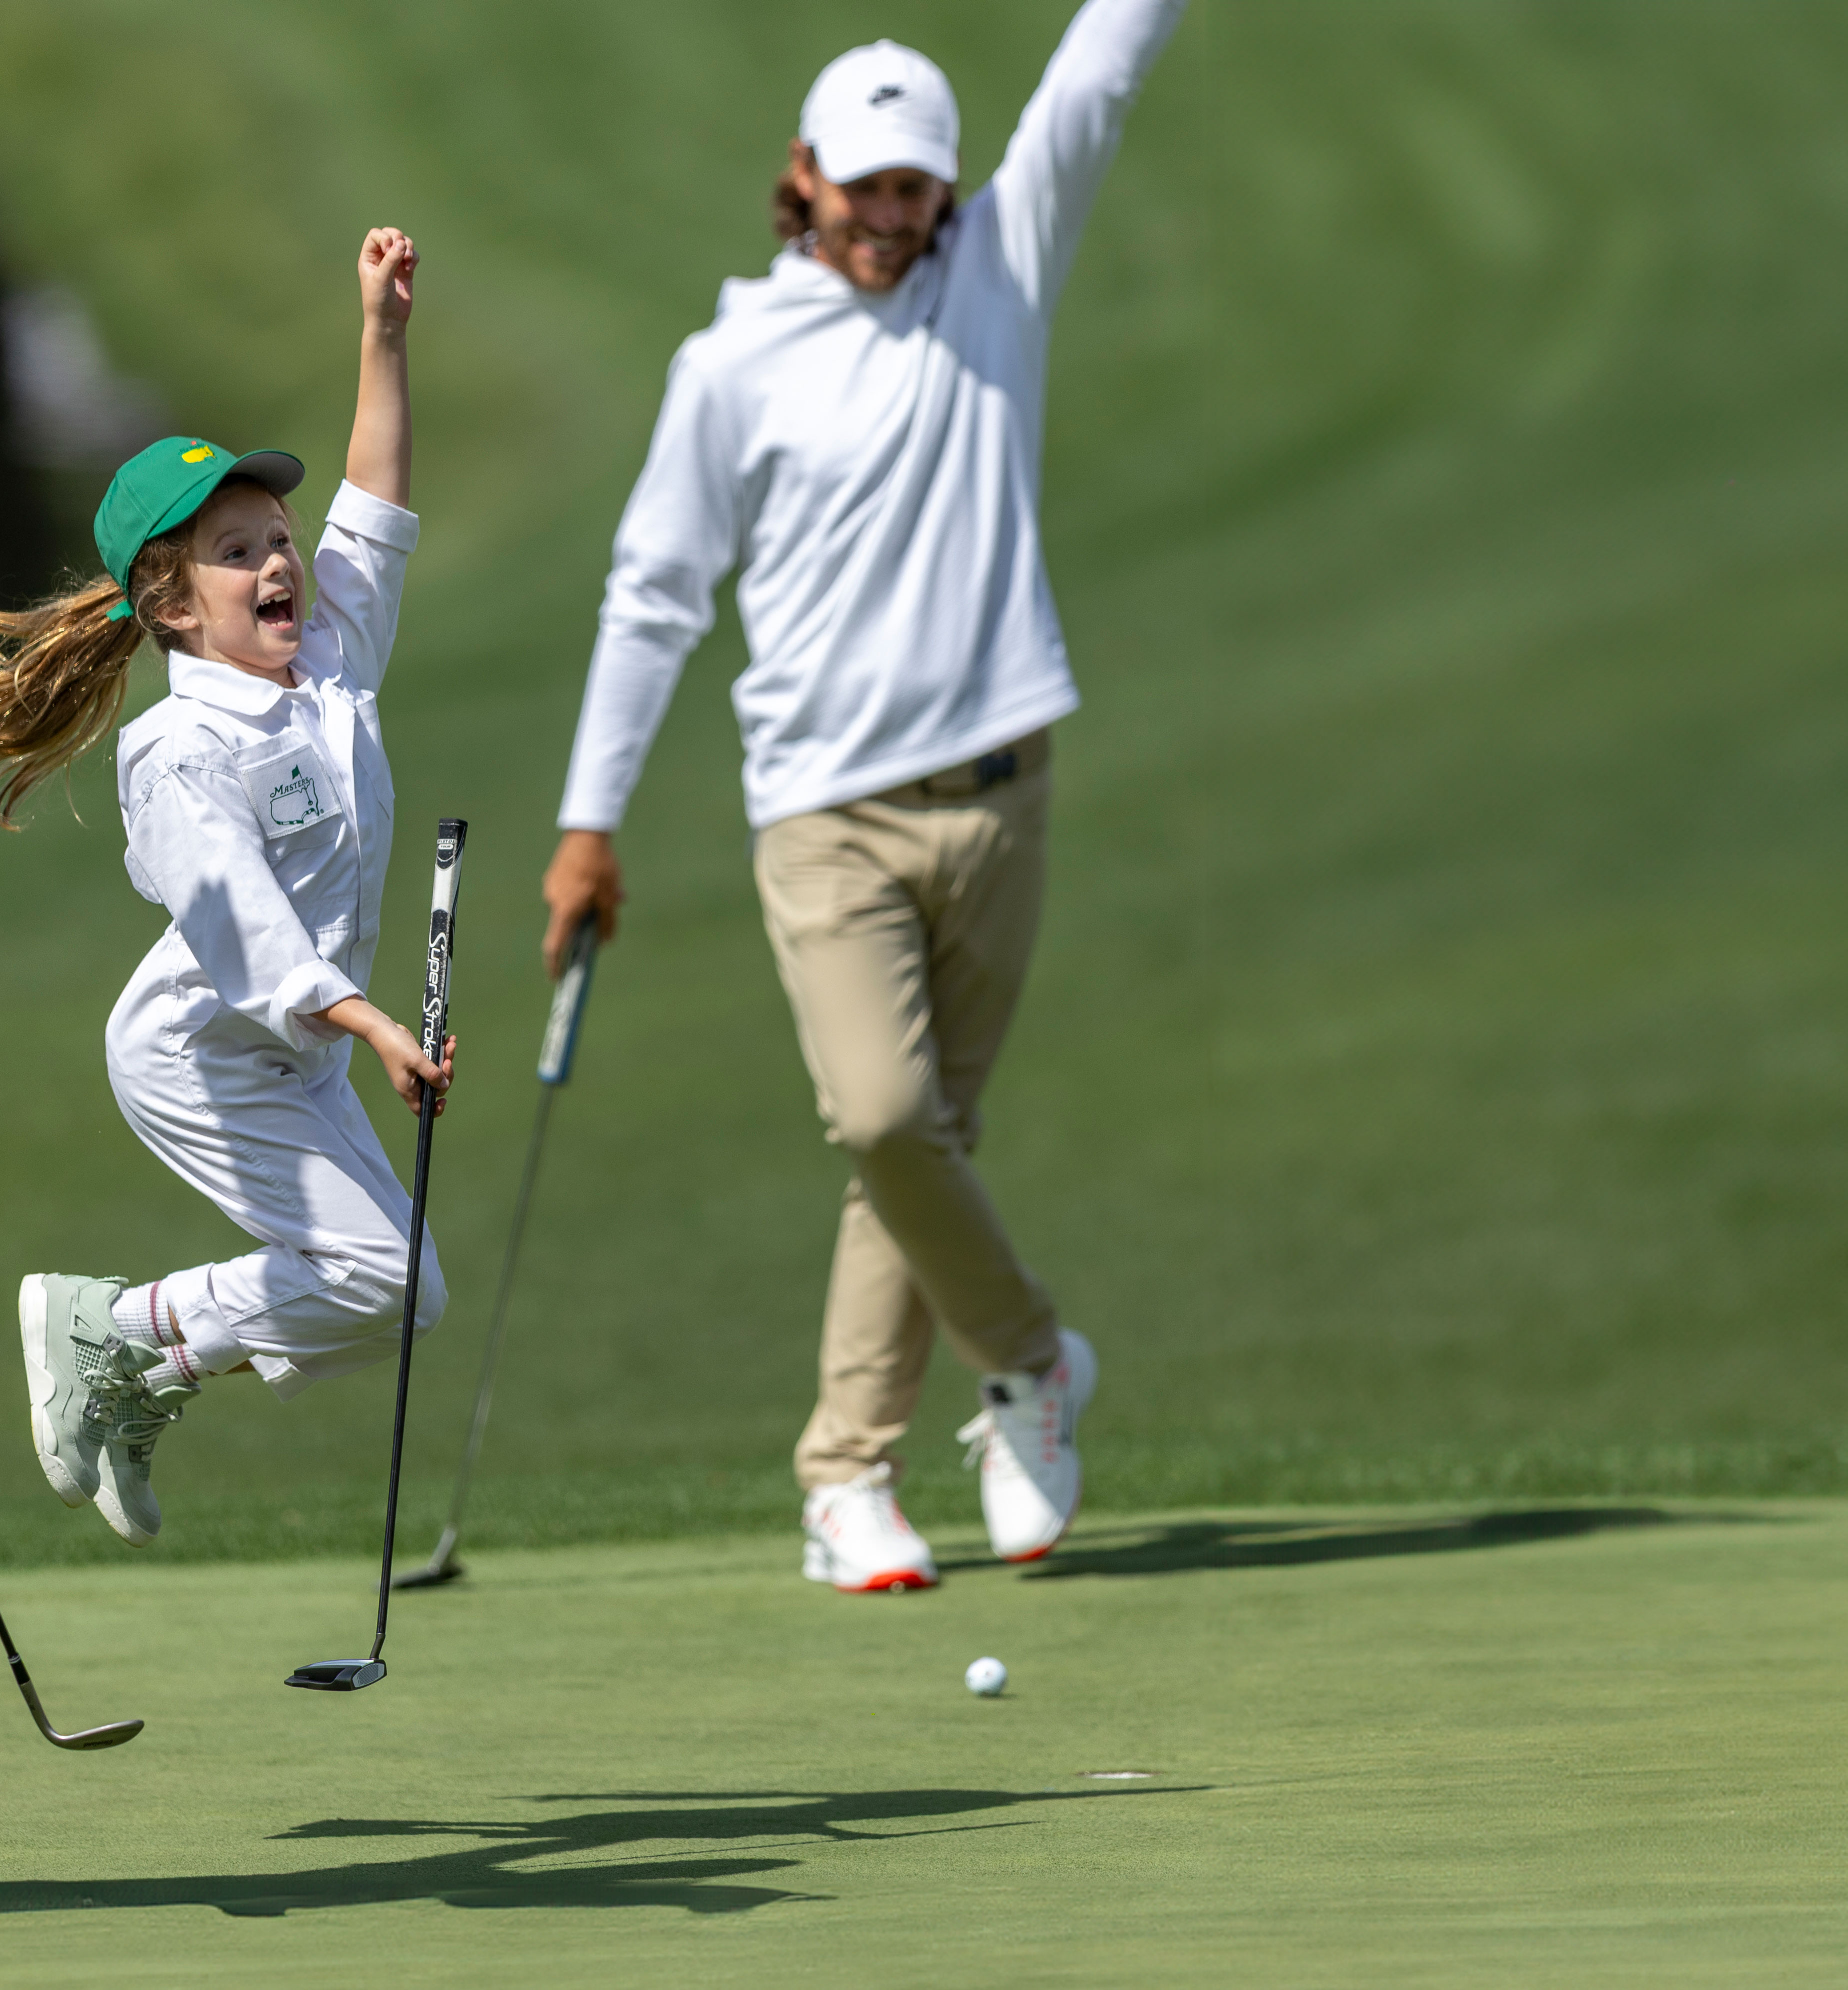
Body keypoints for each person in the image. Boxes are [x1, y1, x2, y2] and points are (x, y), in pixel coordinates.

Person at [540, 0, 1189, 1593]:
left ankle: (845, 1478)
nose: (891, 214)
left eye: (917, 188)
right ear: (803, 175)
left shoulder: (999, 274)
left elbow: (1095, 71)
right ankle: (1032, 1365)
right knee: (882, 1114)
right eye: (865, 184)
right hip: (823, 812)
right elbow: (652, 594)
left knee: (922, 1144)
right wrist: (586, 818)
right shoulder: (730, 365)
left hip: (1004, 789)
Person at [0, 229, 444, 1550]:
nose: (278, 566)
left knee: (397, 1297)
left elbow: (376, 504)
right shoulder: (174, 750)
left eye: (275, 538)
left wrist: (381, 334)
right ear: (170, 603)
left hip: (292, 1053)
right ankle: (111, 1325)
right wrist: (366, 1022)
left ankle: (143, 1366)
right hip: (201, 1052)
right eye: (236, 552)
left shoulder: (326, 665)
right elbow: (241, 913)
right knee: (379, 1277)